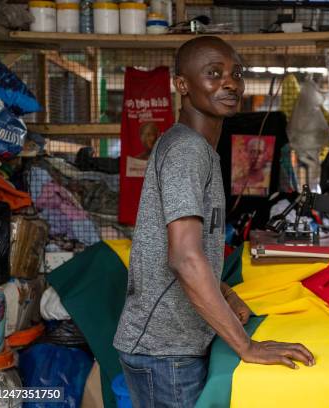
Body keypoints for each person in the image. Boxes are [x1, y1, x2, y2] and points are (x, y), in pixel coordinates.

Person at [113, 36, 315, 408]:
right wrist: (246, 345)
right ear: (182, 85)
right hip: (166, 351)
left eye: (236, 73)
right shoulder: (187, 151)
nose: (230, 82)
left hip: (172, 343)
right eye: (214, 73)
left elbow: (178, 251)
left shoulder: (196, 148)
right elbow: (184, 259)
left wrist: (224, 293)